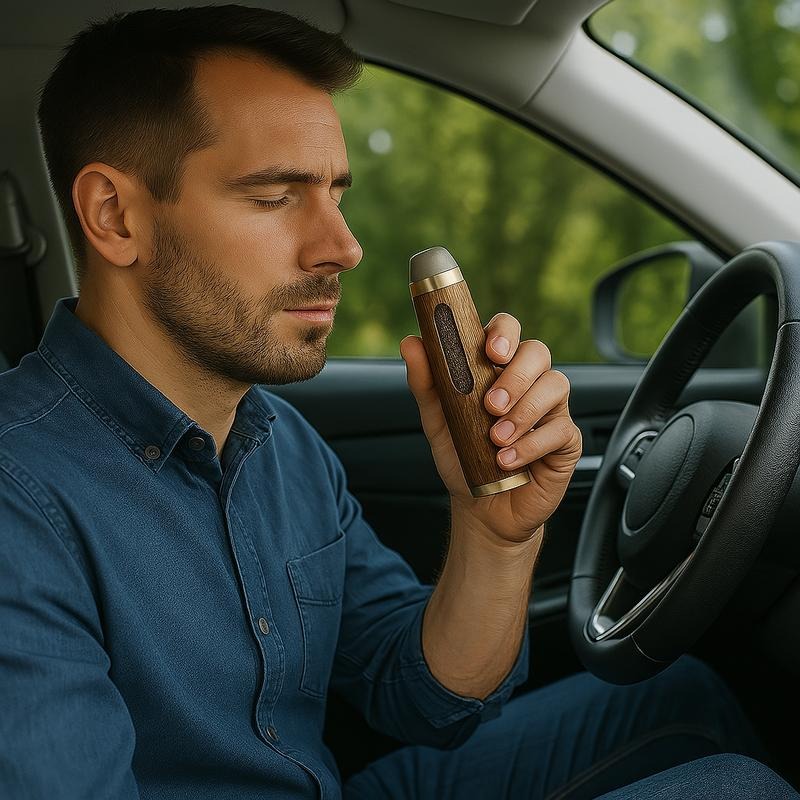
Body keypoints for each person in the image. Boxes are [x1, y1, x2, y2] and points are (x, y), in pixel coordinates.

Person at [0, 5, 795, 799]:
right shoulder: (18, 497)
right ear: (115, 215)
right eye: (276, 196)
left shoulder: (282, 441)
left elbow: (421, 693)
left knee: (682, 693)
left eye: (336, 193)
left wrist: (497, 535)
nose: (343, 246)